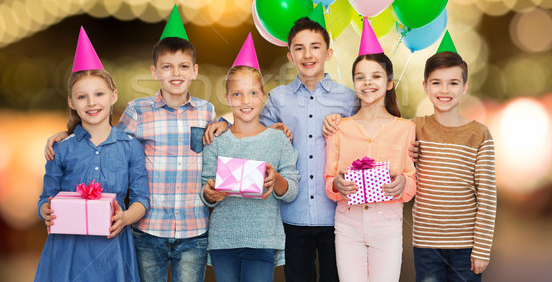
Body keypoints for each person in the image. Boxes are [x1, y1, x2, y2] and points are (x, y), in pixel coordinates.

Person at [43, 7, 217, 282]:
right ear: (154, 71)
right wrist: (68, 135)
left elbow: (224, 143)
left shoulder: (207, 111)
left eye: (183, 66)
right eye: (167, 66)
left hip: (193, 227)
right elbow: (106, 140)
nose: (176, 73)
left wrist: (228, 125)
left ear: (194, 71)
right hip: (148, 228)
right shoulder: (138, 111)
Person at [205, 17, 357, 281]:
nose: (307, 54)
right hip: (291, 216)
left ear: (328, 53)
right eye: (299, 48)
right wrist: (222, 121)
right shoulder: (277, 98)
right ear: (290, 55)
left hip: (338, 215)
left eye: (315, 47)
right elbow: (249, 126)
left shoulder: (347, 99)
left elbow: (368, 133)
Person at [35, 27, 150, 281]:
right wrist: (44, 209)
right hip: (68, 249)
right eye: (82, 97)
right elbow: (46, 197)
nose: (92, 102)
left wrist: (126, 217)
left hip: (112, 249)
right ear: (71, 103)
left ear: (113, 95)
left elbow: (142, 199)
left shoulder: (130, 147)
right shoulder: (61, 149)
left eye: (99, 94)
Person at [201, 34, 300, 282]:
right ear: (227, 99)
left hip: (262, 238)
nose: (246, 101)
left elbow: (291, 190)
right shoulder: (216, 141)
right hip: (224, 239)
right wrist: (209, 194)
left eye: (253, 93)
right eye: (237, 95)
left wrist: (275, 179)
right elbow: (205, 190)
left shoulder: (278, 140)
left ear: (263, 96)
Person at [323, 20, 416, 281]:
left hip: (387, 225)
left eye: (376, 76)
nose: (367, 83)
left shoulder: (405, 128)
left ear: (388, 83)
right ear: (354, 83)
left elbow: (411, 182)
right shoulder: (339, 127)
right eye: (360, 77)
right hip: (347, 224)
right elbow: (329, 180)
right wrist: (337, 185)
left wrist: (403, 183)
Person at [410, 35, 496, 282]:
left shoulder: (479, 134)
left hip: (466, 248)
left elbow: (488, 195)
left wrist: (481, 249)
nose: (444, 90)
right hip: (426, 246)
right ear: (425, 87)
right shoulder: (414, 128)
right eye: (436, 83)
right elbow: (383, 137)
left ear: (465, 87)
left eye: (453, 83)